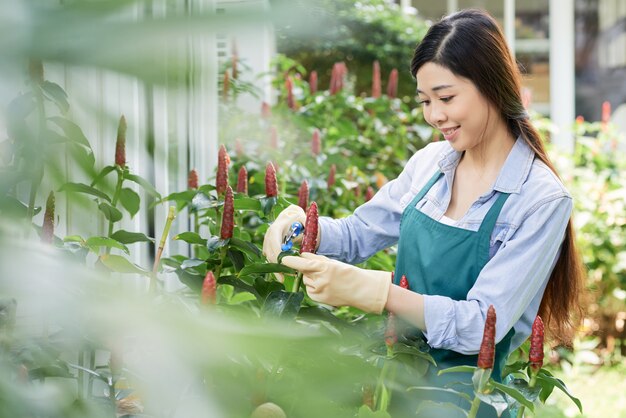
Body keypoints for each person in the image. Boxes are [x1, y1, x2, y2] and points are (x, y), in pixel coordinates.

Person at [263, 8, 585, 417]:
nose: (435, 116)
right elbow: (359, 233)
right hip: (390, 376)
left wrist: (382, 295)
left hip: (462, 401)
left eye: (447, 98)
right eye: (426, 101)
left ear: (491, 85)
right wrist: (301, 229)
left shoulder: (540, 200)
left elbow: (479, 325)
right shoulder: (432, 163)